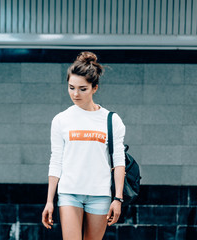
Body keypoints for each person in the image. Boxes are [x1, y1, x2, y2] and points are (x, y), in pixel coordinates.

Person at [41, 51, 126, 240]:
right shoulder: (61, 120)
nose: (75, 94)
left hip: (100, 194)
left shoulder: (111, 120)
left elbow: (119, 163)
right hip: (69, 193)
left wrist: (117, 199)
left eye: (82, 88)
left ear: (94, 88)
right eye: (71, 87)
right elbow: (56, 161)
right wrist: (49, 201)